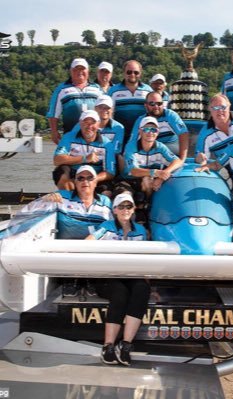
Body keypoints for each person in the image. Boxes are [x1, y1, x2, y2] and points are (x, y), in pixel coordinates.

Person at [23, 165, 113, 297]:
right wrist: (44, 200)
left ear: (95, 182)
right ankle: (71, 280)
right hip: (68, 249)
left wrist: (94, 237)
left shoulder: (105, 201)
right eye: (80, 178)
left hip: (94, 246)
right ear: (75, 182)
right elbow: (31, 210)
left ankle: (91, 279)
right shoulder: (62, 197)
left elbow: (111, 225)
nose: (85, 182)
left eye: (89, 178)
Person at [85, 192, 150, 366]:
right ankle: (108, 346)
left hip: (132, 275)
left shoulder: (141, 230)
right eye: (121, 206)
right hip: (108, 276)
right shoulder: (106, 227)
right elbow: (88, 241)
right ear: (114, 210)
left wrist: (146, 279)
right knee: (120, 293)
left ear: (134, 209)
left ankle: (126, 345)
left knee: (142, 289)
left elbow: (145, 258)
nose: (125, 210)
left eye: (129, 206)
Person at [53, 110, 116, 192]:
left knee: (106, 191)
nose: (89, 126)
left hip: (95, 176)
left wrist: (93, 179)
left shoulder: (107, 144)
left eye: (93, 123)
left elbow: (110, 172)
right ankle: (66, 197)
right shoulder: (68, 137)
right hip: (74, 174)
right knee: (61, 171)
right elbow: (57, 160)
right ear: (80, 123)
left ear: (98, 124)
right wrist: (84, 158)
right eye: (86, 122)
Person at [122, 116, 183, 199]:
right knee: (124, 195)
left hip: (151, 182)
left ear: (157, 133)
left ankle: (147, 206)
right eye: (146, 129)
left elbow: (178, 161)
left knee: (148, 181)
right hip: (129, 181)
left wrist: (163, 175)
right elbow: (134, 171)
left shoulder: (160, 147)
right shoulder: (131, 147)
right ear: (140, 131)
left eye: (153, 129)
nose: (150, 132)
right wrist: (156, 173)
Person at [47, 58, 102, 144]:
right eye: (76, 69)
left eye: (82, 69)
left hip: (94, 135)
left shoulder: (97, 88)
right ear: (71, 71)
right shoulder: (61, 89)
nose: (79, 72)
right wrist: (54, 132)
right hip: (71, 135)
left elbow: (105, 110)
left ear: (88, 71)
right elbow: (53, 113)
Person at [128, 92, 189, 160]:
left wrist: (182, 159)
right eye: (152, 104)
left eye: (159, 103)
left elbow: (183, 134)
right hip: (152, 151)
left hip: (171, 148)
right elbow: (132, 142)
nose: (156, 107)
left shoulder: (170, 115)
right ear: (146, 105)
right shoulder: (140, 120)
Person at [108, 60, 152, 144]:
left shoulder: (148, 90)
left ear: (140, 73)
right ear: (124, 73)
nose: (132, 75)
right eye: (129, 72)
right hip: (120, 134)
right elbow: (108, 113)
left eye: (136, 72)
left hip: (142, 135)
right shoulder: (113, 91)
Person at [94, 94, 125, 160]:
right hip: (90, 159)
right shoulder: (85, 124)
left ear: (112, 109)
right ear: (95, 109)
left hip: (110, 159)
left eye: (107, 108)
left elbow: (116, 150)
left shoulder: (119, 128)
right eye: (101, 107)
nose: (104, 110)